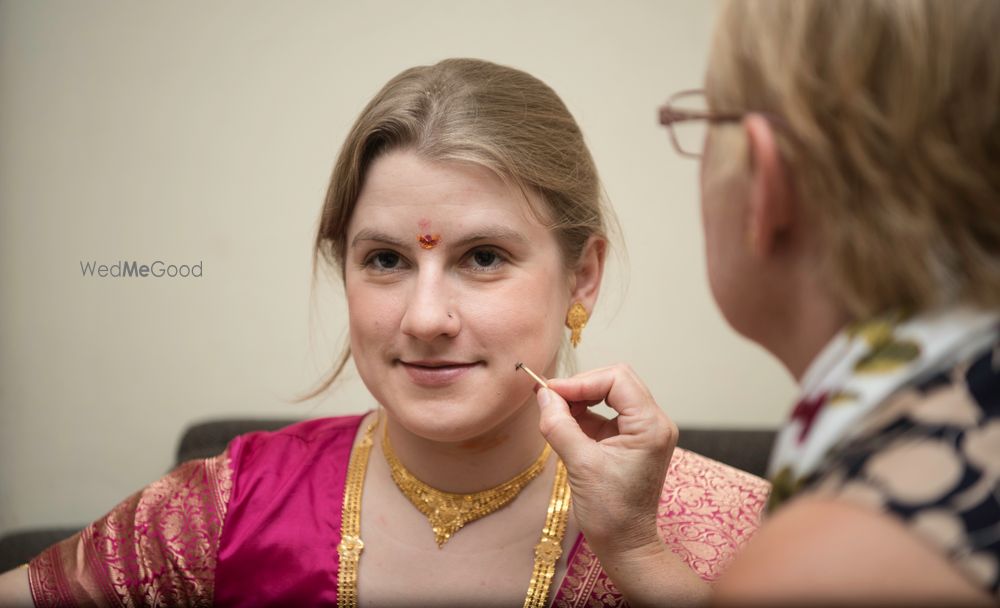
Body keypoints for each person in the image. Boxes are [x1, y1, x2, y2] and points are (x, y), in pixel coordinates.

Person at [0, 58, 768, 607]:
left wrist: (638, 559)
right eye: (387, 260)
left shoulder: (741, 531)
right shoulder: (232, 509)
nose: (425, 318)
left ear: (583, 277)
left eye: (484, 257)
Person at [536, 0, 1000, 606]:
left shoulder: (840, 559)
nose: (429, 317)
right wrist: (636, 549)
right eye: (385, 259)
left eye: (704, 124)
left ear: (764, 178)